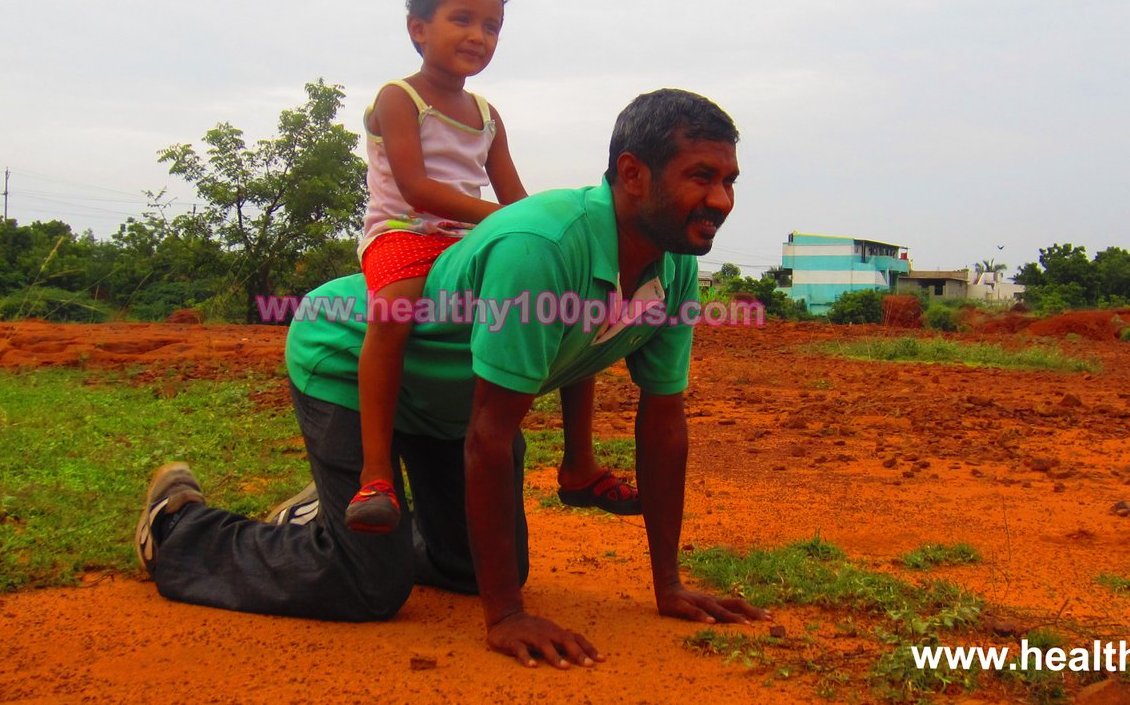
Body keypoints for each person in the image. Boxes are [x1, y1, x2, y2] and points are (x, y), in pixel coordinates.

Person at [135, 89, 766, 667]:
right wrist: (507, 615)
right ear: (633, 173)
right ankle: (178, 526)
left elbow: (662, 421)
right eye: (702, 177)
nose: (721, 200)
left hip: (447, 400)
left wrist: (669, 585)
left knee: (480, 567)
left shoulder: (674, 266)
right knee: (368, 587)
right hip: (350, 359)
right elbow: (490, 436)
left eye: (729, 180)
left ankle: (324, 522)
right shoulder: (541, 246)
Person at [350, 0, 635, 534]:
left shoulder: (487, 115)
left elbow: (517, 197)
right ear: (418, 28)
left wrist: (548, 232)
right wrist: (503, 222)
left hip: (468, 238)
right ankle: (376, 472)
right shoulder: (398, 98)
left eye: (492, 26)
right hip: (405, 231)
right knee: (392, 308)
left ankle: (579, 462)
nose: (479, 36)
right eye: (462, 19)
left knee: (569, 304)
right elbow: (415, 187)